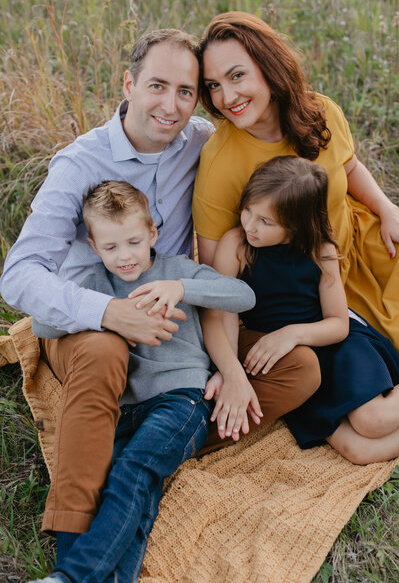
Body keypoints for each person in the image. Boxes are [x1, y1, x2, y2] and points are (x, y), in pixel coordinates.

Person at [0, 29, 216, 548]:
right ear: (129, 84)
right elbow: (20, 273)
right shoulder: (80, 164)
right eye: (157, 86)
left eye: (185, 91)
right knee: (103, 352)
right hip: (84, 322)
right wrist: (108, 312)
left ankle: (153, 445)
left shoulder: (202, 139)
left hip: (169, 309)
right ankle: (76, 542)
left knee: (294, 368)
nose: (171, 106)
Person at [29, 180, 258, 583]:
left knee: (134, 471)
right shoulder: (97, 285)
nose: (126, 257)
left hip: (180, 400)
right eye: (111, 247)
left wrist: (181, 288)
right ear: (93, 246)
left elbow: (243, 296)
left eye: (134, 242)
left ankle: (69, 577)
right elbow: (45, 322)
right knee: (116, 486)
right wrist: (104, 311)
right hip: (126, 407)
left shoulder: (176, 271)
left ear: (152, 233)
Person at [193, 11, 399, 355]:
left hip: (366, 247)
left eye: (237, 76)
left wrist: (388, 208)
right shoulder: (219, 162)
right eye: (214, 85)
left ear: (269, 67)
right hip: (305, 289)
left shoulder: (321, 111)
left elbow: (348, 169)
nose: (226, 98)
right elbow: (218, 275)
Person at [204, 155, 399, 467]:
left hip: (337, 346)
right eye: (248, 210)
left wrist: (292, 334)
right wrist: (229, 371)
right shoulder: (237, 245)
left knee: (372, 420)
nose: (249, 225)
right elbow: (220, 315)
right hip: (295, 364)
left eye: (265, 222)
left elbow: (339, 324)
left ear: (296, 227)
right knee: (358, 451)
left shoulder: (320, 251)